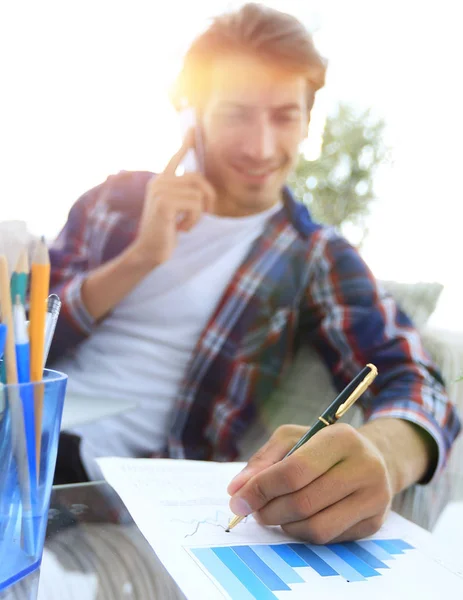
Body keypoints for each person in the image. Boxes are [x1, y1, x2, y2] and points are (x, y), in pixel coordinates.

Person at [49, 3, 460, 543]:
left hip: (95, 479)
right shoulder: (114, 200)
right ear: (193, 115)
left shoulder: (314, 255)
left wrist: (383, 452)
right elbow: (26, 333)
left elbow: (415, 381)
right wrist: (141, 258)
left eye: (285, 116)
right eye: (236, 113)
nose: (262, 147)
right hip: (22, 423)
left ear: (309, 120)